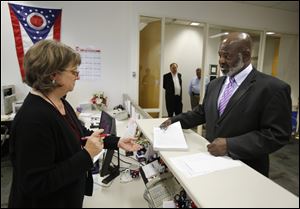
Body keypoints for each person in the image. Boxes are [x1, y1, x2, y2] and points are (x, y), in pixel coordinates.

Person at [8, 40, 142, 208]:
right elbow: (36, 183)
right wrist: (86, 155)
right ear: (53, 75)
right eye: (73, 71)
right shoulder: (33, 119)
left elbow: (80, 134)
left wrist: (116, 142)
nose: (77, 76)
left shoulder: (59, 101)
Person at [160, 32, 292, 177]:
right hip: (211, 165)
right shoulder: (214, 85)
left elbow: (277, 134)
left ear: (246, 56)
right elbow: (201, 112)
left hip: (247, 171)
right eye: (220, 55)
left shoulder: (272, 89)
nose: (221, 61)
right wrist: (174, 120)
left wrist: (231, 145)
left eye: (227, 56)